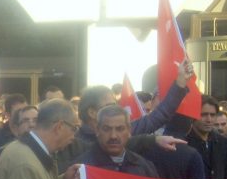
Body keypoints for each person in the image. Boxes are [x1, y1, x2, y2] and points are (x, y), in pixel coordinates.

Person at [55, 60, 193, 172]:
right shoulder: (71, 144)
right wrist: (152, 140)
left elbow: (157, 116)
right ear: (92, 113)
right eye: (110, 105)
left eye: (120, 130)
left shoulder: (127, 134)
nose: (114, 137)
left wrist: (180, 83)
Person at [186, 96, 227, 179]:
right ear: (193, 115)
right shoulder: (184, 143)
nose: (209, 119)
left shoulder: (224, 143)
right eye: (203, 115)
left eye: (212, 115)